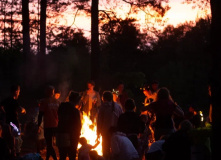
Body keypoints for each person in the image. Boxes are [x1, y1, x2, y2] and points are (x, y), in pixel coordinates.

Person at [0, 84, 26, 157]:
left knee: (9, 139)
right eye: (19, 92)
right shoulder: (14, 101)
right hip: (13, 123)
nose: (19, 93)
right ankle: (15, 153)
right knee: (16, 138)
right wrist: (24, 110)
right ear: (16, 91)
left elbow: (0, 106)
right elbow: (20, 110)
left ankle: (11, 153)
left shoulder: (6, 100)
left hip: (7, 122)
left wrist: (4, 112)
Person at [96, 91, 123, 160]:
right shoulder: (118, 106)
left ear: (104, 98)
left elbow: (99, 121)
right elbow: (122, 118)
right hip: (116, 132)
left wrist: (98, 133)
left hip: (105, 132)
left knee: (106, 151)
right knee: (115, 150)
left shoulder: (103, 107)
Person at [56, 91, 82, 160]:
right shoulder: (75, 111)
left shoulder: (61, 107)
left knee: (62, 155)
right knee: (72, 155)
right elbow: (78, 125)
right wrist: (77, 134)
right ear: (76, 100)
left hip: (60, 133)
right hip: (71, 136)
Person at [38, 85, 60, 160]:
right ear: (53, 93)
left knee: (49, 144)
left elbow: (40, 114)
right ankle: (47, 158)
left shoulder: (44, 101)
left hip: (48, 125)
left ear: (47, 92)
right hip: (56, 126)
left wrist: (38, 125)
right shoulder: (57, 102)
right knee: (50, 144)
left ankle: (55, 158)